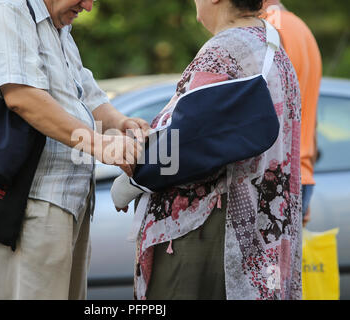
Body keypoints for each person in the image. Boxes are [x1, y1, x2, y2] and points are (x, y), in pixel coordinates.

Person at [117, 0, 302, 300]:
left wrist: (134, 177)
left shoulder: (222, 51)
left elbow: (187, 144)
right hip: (263, 234)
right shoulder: (274, 50)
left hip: (207, 238)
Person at [0, 0, 149, 300]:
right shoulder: (10, 8)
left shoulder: (58, 26)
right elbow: (22, 97)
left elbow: (84, 95)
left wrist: (120, 122)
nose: (89, 7)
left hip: (65, 201)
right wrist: (100, 144)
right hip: (29, 203)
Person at [262, 0, 322, 226]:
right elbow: (311, 120)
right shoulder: (302, 29)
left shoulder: (265, 27)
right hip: (301, 174)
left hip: (275, 178)